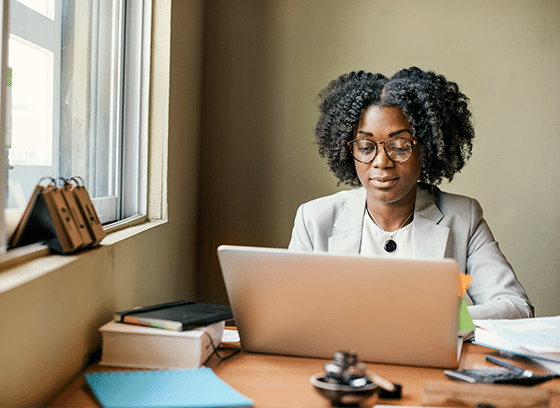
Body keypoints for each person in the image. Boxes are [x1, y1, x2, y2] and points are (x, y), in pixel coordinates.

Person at [288, 67, 533, 321]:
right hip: (343, 358)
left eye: (399, 146)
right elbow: (288, 310)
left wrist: (439, 320)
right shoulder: (314, 219)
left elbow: (515, 307)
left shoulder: (462, 218)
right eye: (365, 147)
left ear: (425, 149)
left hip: (426, 359)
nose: (381, 162)